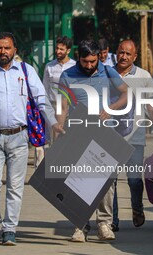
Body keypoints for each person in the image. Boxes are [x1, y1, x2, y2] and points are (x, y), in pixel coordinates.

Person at [0, 32, 65, 245]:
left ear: (14, 50)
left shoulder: (26, 71)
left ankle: (9, 228)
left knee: (15, 185)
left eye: (7, 48)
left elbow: (41, 99)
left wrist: (53, 122)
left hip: (19, 137)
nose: (3, 52)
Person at [57, 40, 128, 242]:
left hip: (105, 133)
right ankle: (80, 225)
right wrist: (58, 133)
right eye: (85, 61)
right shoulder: (67, 75)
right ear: (78, 57)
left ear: (99, 57)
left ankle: (104, 224)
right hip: (78, 132)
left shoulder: (107, 72)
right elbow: (63, 105)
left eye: (93, 61)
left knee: (105, 180)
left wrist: (111, 108)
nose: (89, 66)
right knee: (79, 180)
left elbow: (126, 93)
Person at [111, 39, 153, 232]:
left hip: (135, 138)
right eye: (121, 52)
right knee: (111, 181)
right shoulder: (107, 74)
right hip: (110, 138)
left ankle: (137, 208)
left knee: (134, 180)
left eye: (128, 54)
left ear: (135, 56)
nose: (123, 56)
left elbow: (151, 106)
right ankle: (113, 219)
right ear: (116, 53)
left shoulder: (143, 76)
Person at [34, 36, 76, 168]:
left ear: (68, 50)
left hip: (70, 107)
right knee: (55, 140)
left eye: (61, 49)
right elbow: (44, 88)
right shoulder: (49, 66)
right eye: (57, 48)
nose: (58, 51)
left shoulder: (75, 66)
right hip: (54, 106)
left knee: (71, 140)